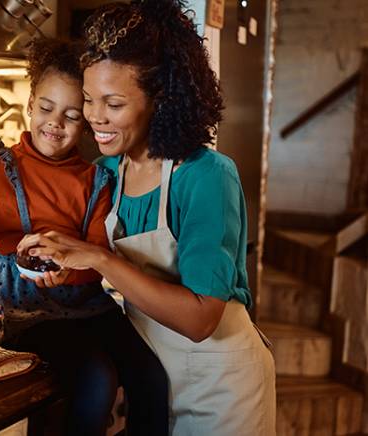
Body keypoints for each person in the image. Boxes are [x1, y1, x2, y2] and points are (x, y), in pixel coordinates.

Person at [17, 1, 277, 435]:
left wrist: (100, 261)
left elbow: (200, 319)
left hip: (222, 393)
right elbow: (93, 275)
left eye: (114, 103)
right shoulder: (106, 174)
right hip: (150, 384)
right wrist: (33, 275)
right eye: (89, 100)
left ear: (161, 99)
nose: (95, 117)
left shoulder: (206, 177)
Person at [0, 37, 168, 435]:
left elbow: (96, 260)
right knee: (98, 379)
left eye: (72, 115)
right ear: (29, 106)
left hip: (91, 308)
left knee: (151, 377)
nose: (55, 123)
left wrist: (69, 272)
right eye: (46, 108)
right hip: (28, 317)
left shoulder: (97, 180)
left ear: (86, 122)